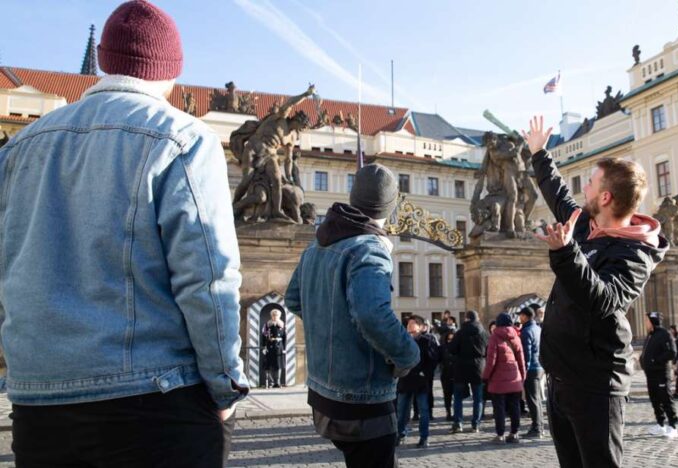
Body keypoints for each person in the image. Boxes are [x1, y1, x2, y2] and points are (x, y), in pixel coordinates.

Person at [0, 2, 249, 466]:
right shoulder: (184, 138)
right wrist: (224, 385)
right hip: (152, 400)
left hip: (39, 404)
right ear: (173, 69)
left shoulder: (19, 147)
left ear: (103, 59)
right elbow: (209, 278)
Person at [524, 115, 668, 468]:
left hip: (595, 385)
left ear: (605, 196)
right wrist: (539, 153)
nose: (583, 190)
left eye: (589, 184)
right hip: (561, 378)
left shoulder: (636, 253)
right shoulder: (585, 224)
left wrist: (566, 252)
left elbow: (603, 300)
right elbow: (557, 193)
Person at [285, 164, 419, 468]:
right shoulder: (369, 247)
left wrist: (332, 327)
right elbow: (372, 314)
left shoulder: (319, 243)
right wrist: (408, 355)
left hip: (323, 397)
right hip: (363, 401)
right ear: (390, 205)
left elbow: (293, 299)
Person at [482, 313, 527, 444]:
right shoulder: (516, 336)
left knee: (499, 409)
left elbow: (491, 361)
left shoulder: (494, 337)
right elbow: (521, 360)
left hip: (498, 381)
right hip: (515, 378)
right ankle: (514, 433)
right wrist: (522, 376)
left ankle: (500, 435)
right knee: (515, 407)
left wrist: (485, 376)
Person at [396, 316, 439, 449]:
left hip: (421, 382)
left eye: (412, 326)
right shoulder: (402, 340)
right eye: (408, 325)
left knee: (423, 410)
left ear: (420, 327)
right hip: (405, 380)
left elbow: (433, 359)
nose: (409, 328)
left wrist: (425, 373)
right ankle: (400, 434)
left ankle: (424, 437)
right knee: (402, 410)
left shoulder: (427, 341)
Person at [447, 310, 488, 434]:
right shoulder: (484, 333)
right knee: (478, 398)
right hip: (478, 367)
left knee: (458, 397)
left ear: (466, 319)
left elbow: (452, 349)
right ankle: (476, 424)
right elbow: (487, 349)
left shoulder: (460, 332)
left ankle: (458, 423)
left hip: (461, 367)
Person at [640, 312, 678, 439]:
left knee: (665, 399)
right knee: (655, 400)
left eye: (647, 320)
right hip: (650, 374)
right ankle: (660, 424)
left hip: (661, 373)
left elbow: (672, 352)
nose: (645, 323)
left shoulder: (664, 334)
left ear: (653, 321)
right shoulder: (650, 335)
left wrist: (655, 360)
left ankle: (673, 426)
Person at [517, 306, 544, 438]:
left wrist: (523, 371)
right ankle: (540, 426)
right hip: (539, 367)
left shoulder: (526, 331)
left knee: (532, 399)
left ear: (525, 316)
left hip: (531, 368)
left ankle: (536, 428)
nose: (519, 318)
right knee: (536, 398)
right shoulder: (538, 329)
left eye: (520, 315)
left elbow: (526, 354)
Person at [263, 309, 287, 388]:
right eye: (273, 315)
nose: (275, 317)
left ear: (279, 316)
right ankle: (271, 382)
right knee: (269, 365)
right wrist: (264, 346)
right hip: (270, 347)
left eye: (276, 315)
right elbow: (264, 336)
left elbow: (284, 337)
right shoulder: (267, 324)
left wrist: (284, 348)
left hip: (279, 347)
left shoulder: (282, 324)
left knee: (278, 365)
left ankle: (278, 382)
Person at [438, 330, 456, 421]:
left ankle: (456, 413)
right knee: (447, 395)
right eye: (449, 339)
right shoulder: (442, 348)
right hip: (446, 375)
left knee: (457, 395)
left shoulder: (458, 347)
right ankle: (448, 412)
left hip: (456, 374)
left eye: (453, 339)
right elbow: (438, 359)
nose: (450, 341)